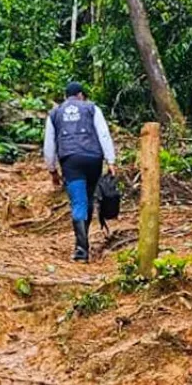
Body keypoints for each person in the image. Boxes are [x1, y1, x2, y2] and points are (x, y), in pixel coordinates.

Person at [43, 81, 117, 262]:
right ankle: (84, 244)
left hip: (71, 161)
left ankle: (81, 250)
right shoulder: (92, 109)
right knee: (89, 196)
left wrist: (52, 170)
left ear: (65, 96)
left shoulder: (54, 113)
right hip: (93, 159)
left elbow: (49, 143)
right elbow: (103, 133)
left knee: (78, 202)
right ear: (81, 95)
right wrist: (111, 160)